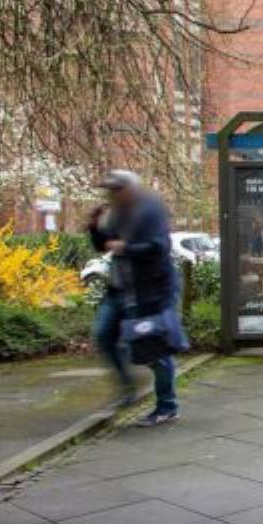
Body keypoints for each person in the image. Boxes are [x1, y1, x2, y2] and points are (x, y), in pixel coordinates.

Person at [87, 170, 185, 426]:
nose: (112, 195)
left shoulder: (151, 209)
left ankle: (167, 406)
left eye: (116, 190)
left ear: (130, 189)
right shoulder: (116, 213)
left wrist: (126, 248)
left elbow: (160, 246)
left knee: (154, 347)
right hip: (119, 289)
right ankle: (128, 388)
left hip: (150, 291)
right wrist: (95, 227)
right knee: (103, 335)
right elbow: (102, 245)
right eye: (110, 191)